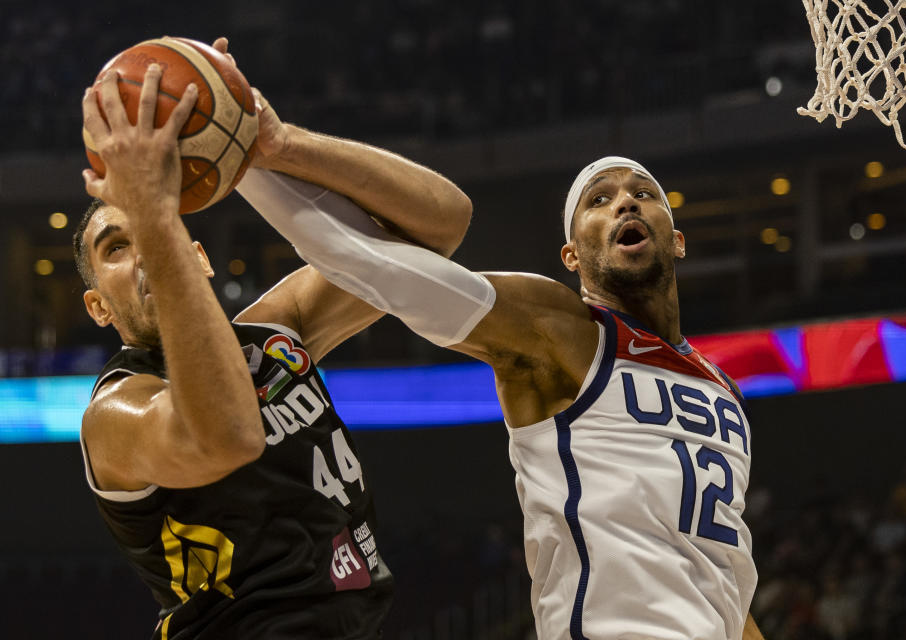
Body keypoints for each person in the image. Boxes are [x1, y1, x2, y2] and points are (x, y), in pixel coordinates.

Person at [236, 156, 766, 639]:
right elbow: (375, 265)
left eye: (643, 193)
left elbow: (724, 580)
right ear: (572, 256)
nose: (625, 201)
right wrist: (258, 151)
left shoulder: (720, 390)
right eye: (598, 199)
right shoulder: (558, 332)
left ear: (677, 239)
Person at [75, 38, 471, 639]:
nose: (142, 255)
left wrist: (278, 148)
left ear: (200, 258)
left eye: (148, 232)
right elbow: (228, 435)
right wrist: (155, 215)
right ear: (98, 306)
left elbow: (440, 227)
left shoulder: (277, 329)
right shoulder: (114, 414)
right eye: (116, 248)